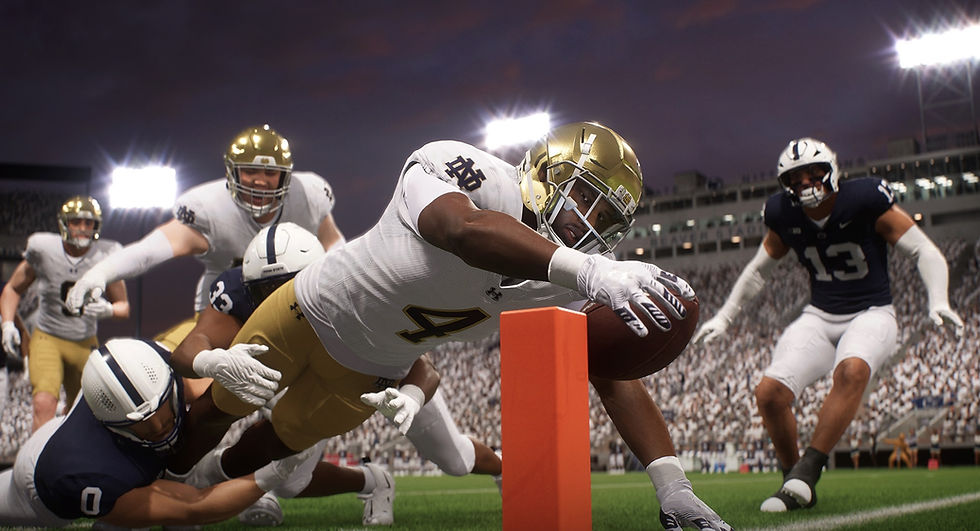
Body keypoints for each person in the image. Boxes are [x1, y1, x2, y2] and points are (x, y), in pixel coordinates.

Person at [171, 121, 731, 530]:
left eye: (606, 218)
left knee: (264, 445)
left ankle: (201, 483)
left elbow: (610, 372)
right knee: (218, 404)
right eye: (585, 196)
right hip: (313, 307)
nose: (589, 221)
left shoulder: (565, 274)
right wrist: (586, 271)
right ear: (544, 168)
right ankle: (161, 475)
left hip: (373, 367)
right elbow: (458, 227)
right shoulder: (472, 173)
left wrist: (671, 485)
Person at [694, 137, 964, 512]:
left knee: (852, 370)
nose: (806, 183)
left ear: (832, 170)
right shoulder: (783, 214)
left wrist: (939, 299)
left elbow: (922, 249)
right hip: (820, 315)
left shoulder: (865, 198)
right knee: (769, 393)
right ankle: (794, 480)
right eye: (795, 177)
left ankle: (808, 472)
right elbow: (758, 270)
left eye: (813, 173)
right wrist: (725, 315)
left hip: (872, 312)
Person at [173, 222, 501, 526]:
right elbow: (189, 348)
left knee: (455, 461)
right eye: (267, 291)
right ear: (248, 285)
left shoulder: (355, 293)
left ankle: (504, 467)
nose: (281, 299)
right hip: (324, 380)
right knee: (291, 482)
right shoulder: (236, 293)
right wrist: (210, 360)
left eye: (290, 287)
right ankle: (373, 480)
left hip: (392, 380)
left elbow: (424, 369)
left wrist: (411, 400)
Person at [64, 124, 344, 350]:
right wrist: (100, 273)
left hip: (290, 307)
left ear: (285, 177)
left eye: (271, 172)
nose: (261, 181)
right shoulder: (210, 209)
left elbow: (334, 245)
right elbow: (149, 250)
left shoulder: (308, 196)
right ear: (232, 173)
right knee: (196, 383)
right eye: (250, 171)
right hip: (225, 309)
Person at [0, 338, 317, 528]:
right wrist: (273, 474)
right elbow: (196, 506)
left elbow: (202, 387)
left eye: (161, 410)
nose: (158, 428)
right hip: (36, 484)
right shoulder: (83, 471)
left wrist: (262, 388)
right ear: (109, 425)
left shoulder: (153, 364)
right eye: (140, 424)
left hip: (66, 437)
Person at [0, 196, 130, 431]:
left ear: (96, 226)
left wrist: (109, 309)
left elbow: (124, 306)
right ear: (64, 224)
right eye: (76, 221)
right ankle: (39, 462)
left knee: (82, 410)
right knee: (43, 402)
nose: (82, 228)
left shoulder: (106, 254)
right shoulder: (43, 249)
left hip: (84, 340)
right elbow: (12, 288)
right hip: (47, 337)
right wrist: (8, 324)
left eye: (88, 223)